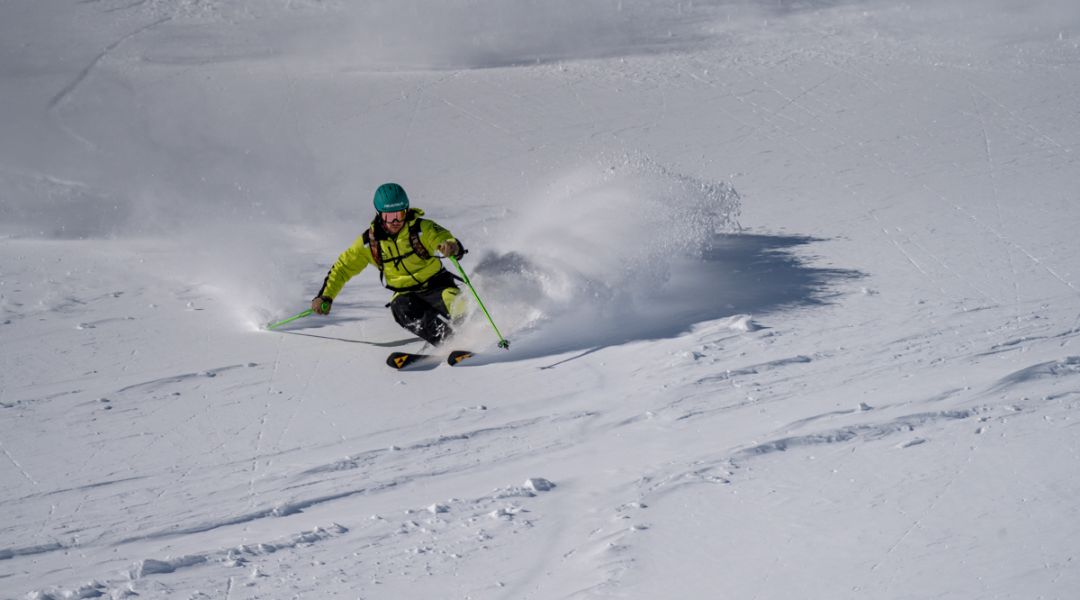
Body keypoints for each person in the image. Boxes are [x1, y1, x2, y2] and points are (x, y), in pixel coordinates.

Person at [311, 183, 467, 345]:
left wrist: (451, 246)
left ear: (406, 211)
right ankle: (447, 341)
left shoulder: (422, 229)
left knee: (457, 303)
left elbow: (442, 237)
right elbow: (343, 268)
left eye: (399, 214)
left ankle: (473, 332)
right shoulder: (370, 243)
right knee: (400, 307)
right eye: (389, 216)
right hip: (406, 294)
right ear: (379, 215)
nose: (395, 221)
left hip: (437, 286)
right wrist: (325, 296)